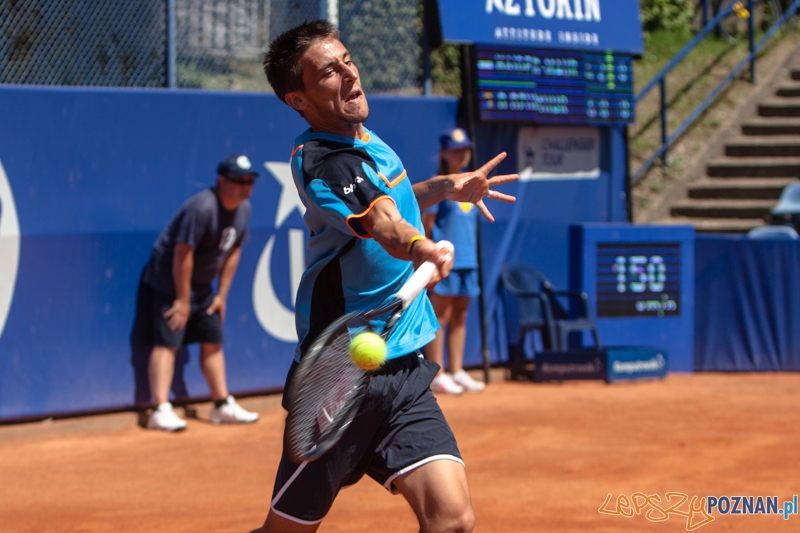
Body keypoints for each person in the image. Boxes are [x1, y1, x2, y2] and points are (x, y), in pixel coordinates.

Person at [258, 20, 517, 532]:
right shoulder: (323, 161)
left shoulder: (365, 140)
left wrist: (446, 186)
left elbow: (392, 199)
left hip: (404, 369)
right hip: (341, 373)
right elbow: (383, 224)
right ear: (299, 100)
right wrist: (422, 247)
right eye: (329, 72)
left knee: (453, 520)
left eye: (347, 60)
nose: (349, 75)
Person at [136, 154, 260, 432]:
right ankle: (159, 409)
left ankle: (221, 404)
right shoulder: (202, 208)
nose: (245, 186)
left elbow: (234, 251)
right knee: (168, 341)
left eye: (250, 180)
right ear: (221, 181)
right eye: (238, 180)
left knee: (212, 339)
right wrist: (181, 299)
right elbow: (183, 253)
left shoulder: (244, 209)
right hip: (170, 282)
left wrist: (221, 295)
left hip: (203, 287)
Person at [423, 128, 486, 395]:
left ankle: (457, 370)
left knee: (461, 315)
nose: (462, 154)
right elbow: (427, 225)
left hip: (468, 262)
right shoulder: (438, 186)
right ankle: (437, 373)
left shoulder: (472, 186)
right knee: (441, 316)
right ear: (445, 153)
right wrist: (429, 258)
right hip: (444, 263)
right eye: (456, 150)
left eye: (465, 149)